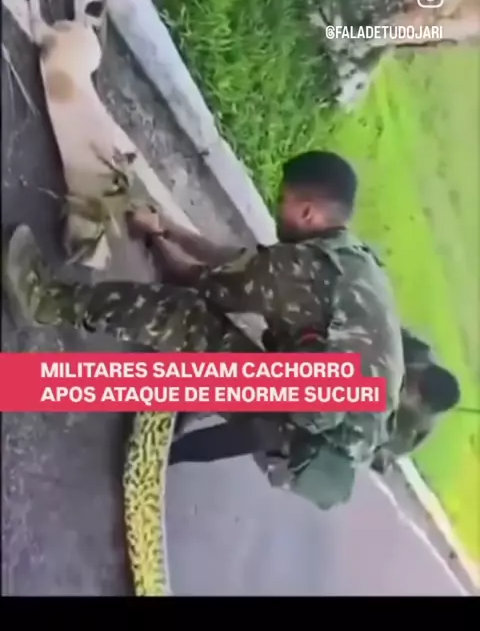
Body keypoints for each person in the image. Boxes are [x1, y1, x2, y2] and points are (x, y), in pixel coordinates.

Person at [3, 150, 405, 510]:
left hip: (305, 439)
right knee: (229, 339)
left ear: (308, 213)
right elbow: (240, 262)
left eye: (284, 200)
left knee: (186, 317)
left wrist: (154, 238)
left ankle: (43, 302)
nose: (277, 207)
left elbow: (196, 279)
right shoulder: (348, 262)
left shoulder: (305, 270)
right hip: (328, 423)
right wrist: (167, 228)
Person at [371, 328, 461, 474]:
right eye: (414, 372)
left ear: (420, 407)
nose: (408, 375)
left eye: (409, 384)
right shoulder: (415, 348)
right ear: (425, 366)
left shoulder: (408, 432)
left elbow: (381, 453)